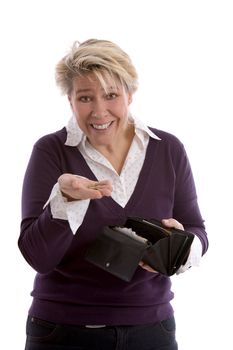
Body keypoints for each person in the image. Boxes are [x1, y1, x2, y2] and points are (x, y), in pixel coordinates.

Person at [18, 38, 209, 350]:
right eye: (85, 97)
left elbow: (197, 230)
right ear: (70, 100)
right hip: (63, 332)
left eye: (111, 95)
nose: (99, 111)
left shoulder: (168, 149)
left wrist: (181, 246)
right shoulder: (51, 152)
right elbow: (37, 256)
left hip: (152, 331)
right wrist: (65, 202)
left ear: (130, 95)